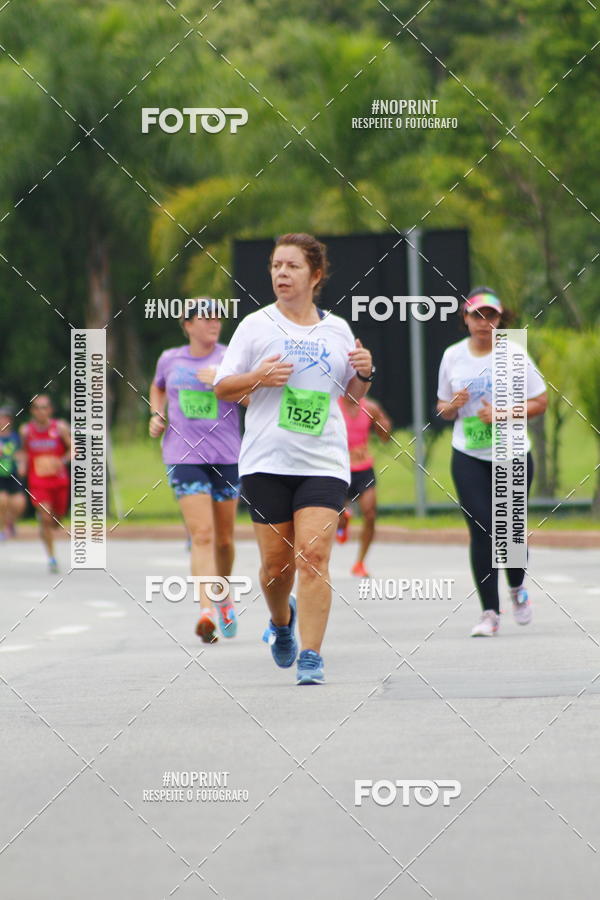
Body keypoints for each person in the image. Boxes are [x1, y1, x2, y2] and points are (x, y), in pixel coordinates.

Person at [214, 232, 375, 685]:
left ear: (315, 275)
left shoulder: (337, 329)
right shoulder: (255, 326)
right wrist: (258, 376)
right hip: (266, 460)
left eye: (292, 267)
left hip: (323, 459)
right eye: (275, 266)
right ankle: (281, 621)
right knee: (275, 566)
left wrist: (365, 369)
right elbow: (224, 387)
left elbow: (352, 394)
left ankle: (311, 655)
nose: (281, 274)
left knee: (313, 555)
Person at [436, 287, 547, 636]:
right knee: (482, 528)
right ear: (465, 319)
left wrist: (503, 414)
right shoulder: (453, 356)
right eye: (476, 316)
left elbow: (540, 402)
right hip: (469, 453)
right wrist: (453, 405)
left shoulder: (514, 354)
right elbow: (442, 408)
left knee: (511, 531)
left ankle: (517, 589)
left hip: (512, 451)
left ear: (501, 319)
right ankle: (489, 612)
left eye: (491, 316)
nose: (484, 323)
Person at [149, 299, 242, 643]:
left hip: (226, 455)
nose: (214, 323)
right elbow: (158, 386)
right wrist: (157, 414)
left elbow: (250, 398)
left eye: (217, 317)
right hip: (184, 456)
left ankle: (223, 593)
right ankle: (206, 612)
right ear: (187, 325)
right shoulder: (170, 358)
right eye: (205, 318)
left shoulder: (231, 356)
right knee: (202, 535)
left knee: (225, 539)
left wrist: (224, 381)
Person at [336, 395, 391, 577]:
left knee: (370, 513)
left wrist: (384, 427)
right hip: (339, 468)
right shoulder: (332, 405)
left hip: (363, 469)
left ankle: (360, 563)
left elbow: (385, 437)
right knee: (338, 516)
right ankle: (342, 524)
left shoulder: (370, 407)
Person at [20, 395, 71, 572]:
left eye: (44, 407)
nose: (41, 411)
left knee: (57, 521)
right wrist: (21, 465)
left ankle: (45, 523)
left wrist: (62, 461)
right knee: (46, 517)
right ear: (32, 411)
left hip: (59, 482)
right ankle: (51, 557)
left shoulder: (60, 428)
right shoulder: (26, 431)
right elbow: (23, 452)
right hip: (38, 482)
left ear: (50, 410)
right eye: (37, 408)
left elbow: (73, 449)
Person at [0, 404, 27, 540]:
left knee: (19, 503)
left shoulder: (15, 437)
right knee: (2, 500)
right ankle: (2, 529)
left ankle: (10, 522)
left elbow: (20, 453)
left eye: (5, 418)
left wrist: (22, 465)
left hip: (12, 473)